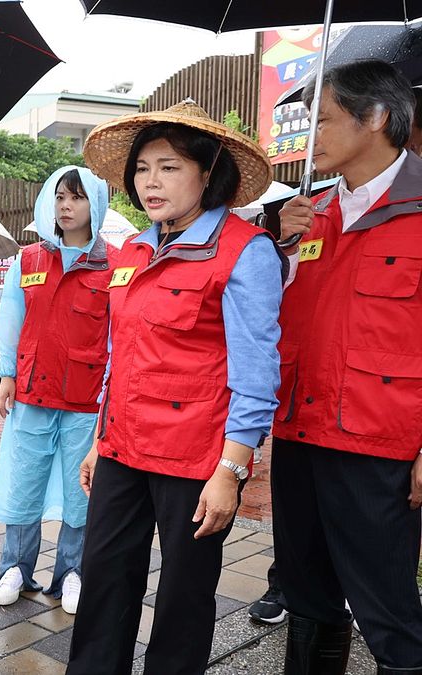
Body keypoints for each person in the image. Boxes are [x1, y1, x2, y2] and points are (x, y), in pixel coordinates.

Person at [66, 100, 284, 674]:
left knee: (184, 600)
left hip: (196, 461)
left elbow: (257, 372)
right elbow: (120, 357)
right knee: (104, 582)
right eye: (142, 169)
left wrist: (232, 470)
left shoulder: (244, 250)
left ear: (207, 174)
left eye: (169, 167)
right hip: (123, 449)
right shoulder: (134, 249)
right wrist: (98, 439)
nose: (151, 182)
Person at [271, 60, 422, 674]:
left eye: (325, 120)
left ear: (377, 119)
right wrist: (280, 248)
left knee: (387, 609)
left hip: (377, 445)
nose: (313, 138)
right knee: (307, 598)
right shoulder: (312, 216)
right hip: (298, 434)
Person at [0, 165, 117, 615]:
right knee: (23, 483)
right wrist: (7, 373)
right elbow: (12, 318)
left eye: (78, 198)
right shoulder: (29, 259)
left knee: (80, 489)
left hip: (86, 401)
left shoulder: (114, 265)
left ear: (95, 205)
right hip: (31, 393)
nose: (66, 206)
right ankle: (15, 568)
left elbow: (117, 336)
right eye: (60, 196)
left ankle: (72, 573)